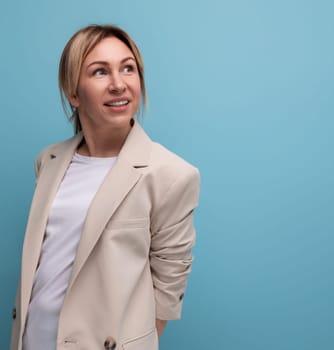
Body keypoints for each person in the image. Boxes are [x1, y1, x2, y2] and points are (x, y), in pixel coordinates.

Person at [10, 24, 200, 350]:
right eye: (100, 72)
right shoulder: (49, 161)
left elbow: (168, 290)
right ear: (73, 92)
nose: (118, 84)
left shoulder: (170, 174)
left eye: (128, 68)